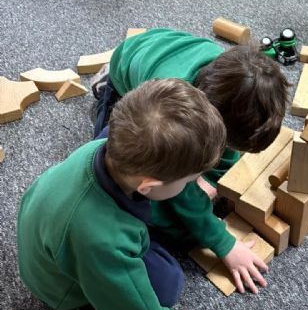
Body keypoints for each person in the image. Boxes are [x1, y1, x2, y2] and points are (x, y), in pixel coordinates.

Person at [17, 79, 230, 310]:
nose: (193, 184)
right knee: (168, 284)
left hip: (56, 229)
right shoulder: (104, 241)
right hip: (60, 286)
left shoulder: (107, 145)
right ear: (148, 185)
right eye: (190, 181)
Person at [92, 27, 290, 293]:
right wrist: (223, 243)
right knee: (122, 162)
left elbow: (224, 153)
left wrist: (212, 182)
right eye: (226, 144)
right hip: (128, 69)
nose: (227, 151)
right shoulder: (170, 113)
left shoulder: (227, 79)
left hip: (164, 51)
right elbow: (179, 189)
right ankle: (105, 89)